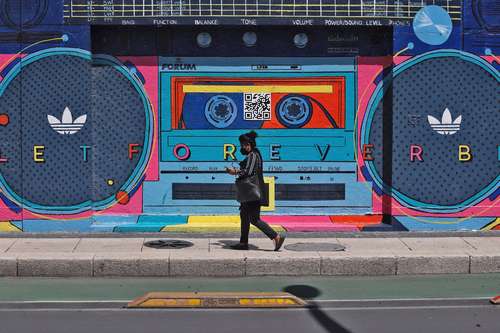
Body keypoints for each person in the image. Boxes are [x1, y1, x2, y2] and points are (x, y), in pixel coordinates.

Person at [225, 131, 285, 251]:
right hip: (249, 192)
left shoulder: (253, 155)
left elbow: (249, 172)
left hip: (252, 192)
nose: (244, 147)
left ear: (251, 144)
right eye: (242, 144)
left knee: (254, 219)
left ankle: (276, 236)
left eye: (246, 144)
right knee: (244, 216)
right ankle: (243, 243)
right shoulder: (252, 155)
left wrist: (234, 172)